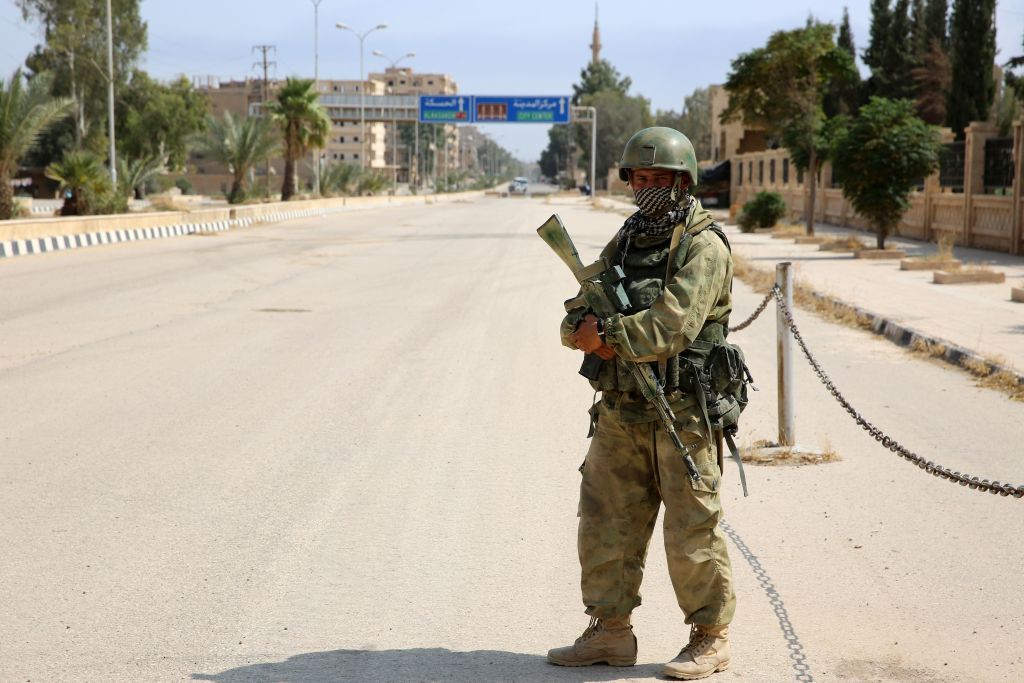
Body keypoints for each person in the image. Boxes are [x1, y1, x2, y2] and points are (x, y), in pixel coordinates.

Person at [546, 127, 737, 680]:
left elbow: (672, 326)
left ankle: (710, 637)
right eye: (641, 177)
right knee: (606, 522)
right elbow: (574, 317)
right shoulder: (628, 240)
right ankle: (610, 633)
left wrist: (605, 332)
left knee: (691, 529)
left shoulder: (703, 245)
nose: (650, 187)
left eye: (662, 178)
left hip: (682, 411)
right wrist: (586, 330)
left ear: (684, 182)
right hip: (621, 411)